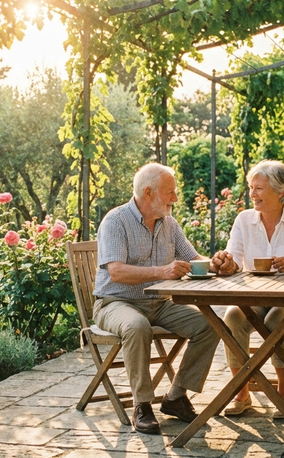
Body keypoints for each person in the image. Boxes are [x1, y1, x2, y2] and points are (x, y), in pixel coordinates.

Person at [93, 162, 220, 435]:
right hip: (115, 303)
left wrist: (219, 263)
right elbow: (115, 272)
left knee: (211, 325)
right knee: (137, 326)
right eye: (170, 192)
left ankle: (175, 397)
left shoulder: (169, 224)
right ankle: (143, 405)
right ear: (148, 193)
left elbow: (194, 259)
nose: (175, 198)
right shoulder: (115, 222)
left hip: (160, 304)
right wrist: (162, 271)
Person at [211, 160, 284, 417]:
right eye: (251, 188)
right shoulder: (244, 220)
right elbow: (234, 257)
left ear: (280, 191)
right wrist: (226, 263)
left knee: (276, 319)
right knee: (232, 317)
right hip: (256, 297)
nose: (252, 194)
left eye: (259, 188)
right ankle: (241, 393)